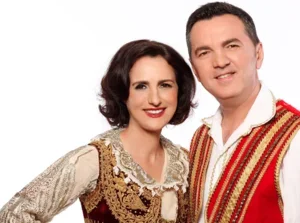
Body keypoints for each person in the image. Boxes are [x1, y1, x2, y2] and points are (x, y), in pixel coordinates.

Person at [0, 39, 196, 223]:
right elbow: (13, 214)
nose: (155, 99)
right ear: (123, 94)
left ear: (179, 91)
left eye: (165, 85)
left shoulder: (187, 163)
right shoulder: (95, 160)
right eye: (141, 86)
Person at [186, 2, 300, 223]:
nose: (219, 62)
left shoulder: (294, 136)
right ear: (195, 70)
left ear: (258, 54)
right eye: (204, 52)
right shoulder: (201, 138)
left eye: (231, 46)